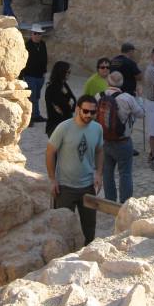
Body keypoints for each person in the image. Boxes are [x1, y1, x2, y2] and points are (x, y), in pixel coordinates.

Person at [45, 95, 104, 245]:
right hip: (65, 188)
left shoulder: (97, 128)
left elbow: (99, 151)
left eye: (92, 112)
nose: (89, 115)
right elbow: (50, 152)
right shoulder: (63, 128)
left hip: (87, 187)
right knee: (62, 229)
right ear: (78, 109)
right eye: (86, 111)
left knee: (89, 228)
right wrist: (52, 179)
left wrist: (99, 174)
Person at [95, 71, 144, 204]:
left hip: (104, 140)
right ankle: (124, 204)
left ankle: (110, 201)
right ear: (122, 84)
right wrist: (139, 97)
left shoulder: (99, 96)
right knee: (125, 173)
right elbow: (140, 114)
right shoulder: (127, 98)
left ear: (108, 82)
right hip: (123, 142)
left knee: (107, 172)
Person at [20, 24, 48, 124]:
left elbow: (45, 58)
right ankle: (30, 118)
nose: (37, 35)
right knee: (32, 97)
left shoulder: (42, 44)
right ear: (31, 34)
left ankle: (36, 115)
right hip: (30, 76)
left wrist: (44, 71)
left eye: (39, 34)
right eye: (35, 33)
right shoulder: (27, 45)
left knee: (36, 96)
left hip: (40, 76)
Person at [45, 61, 76, 138]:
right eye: (68, 72)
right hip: (56, 127)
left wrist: (67, 96)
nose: (69, 74)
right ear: (62, 72)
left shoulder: (64, 85)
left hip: (67, 125)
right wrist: (69, 103)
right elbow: (67, 108)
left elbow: (74, 103)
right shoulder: (52, 89)